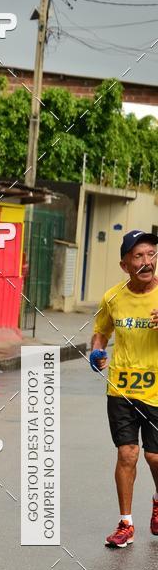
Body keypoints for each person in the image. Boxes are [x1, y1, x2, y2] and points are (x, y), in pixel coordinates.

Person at [90, 229, 158, 547]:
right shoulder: (113, 297)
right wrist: (96, 351)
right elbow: (101, 332)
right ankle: (126, 523)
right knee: (127, 454)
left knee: (155, 458)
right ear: (124, 264)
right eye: (139, 256)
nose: (147, 262)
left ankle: (157, 500)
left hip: (157, 391)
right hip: (121, 389)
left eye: (151, 255)